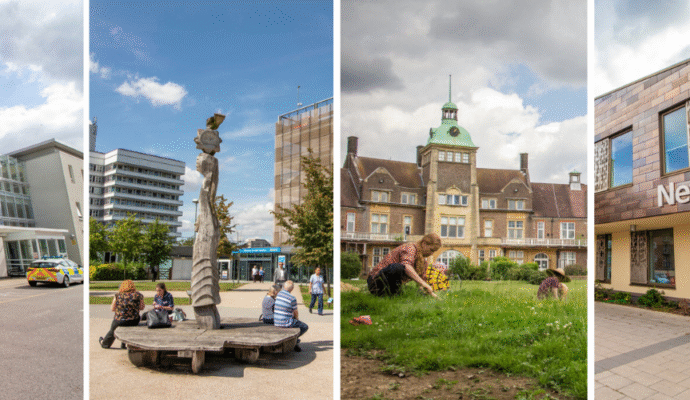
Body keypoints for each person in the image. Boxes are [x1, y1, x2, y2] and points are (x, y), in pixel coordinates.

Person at [368, 233, 442, 297]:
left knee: (415, 293)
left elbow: (424, 282)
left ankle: (392, 295)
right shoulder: (410, 248)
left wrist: (432, 294)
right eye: (431, 250)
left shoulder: (422, 262)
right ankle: (388, 293)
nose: (431, 254)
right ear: (424, 244)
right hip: (376, 282)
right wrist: (423, 284)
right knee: (398, 267)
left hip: (392, 286)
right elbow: (406, 266)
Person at [99, 280, 145, 349]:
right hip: (134, 320)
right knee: (129, 324)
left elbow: (112, 308)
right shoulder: (138, 295)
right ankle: (123, 344)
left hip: (120, 320)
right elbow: (141, 308)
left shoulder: (118, 295)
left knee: (112, 330)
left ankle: (105, 344)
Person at [274, 280, 308, 352]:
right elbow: (295, 312)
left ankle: (294, 342)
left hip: (276, 321)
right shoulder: (292, 298)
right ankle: (293, 341)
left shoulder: (279, 294)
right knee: (304, 327)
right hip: (286, 322)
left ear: (283, 287)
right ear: (292, 289)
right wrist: (297, 319)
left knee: (294, 321)